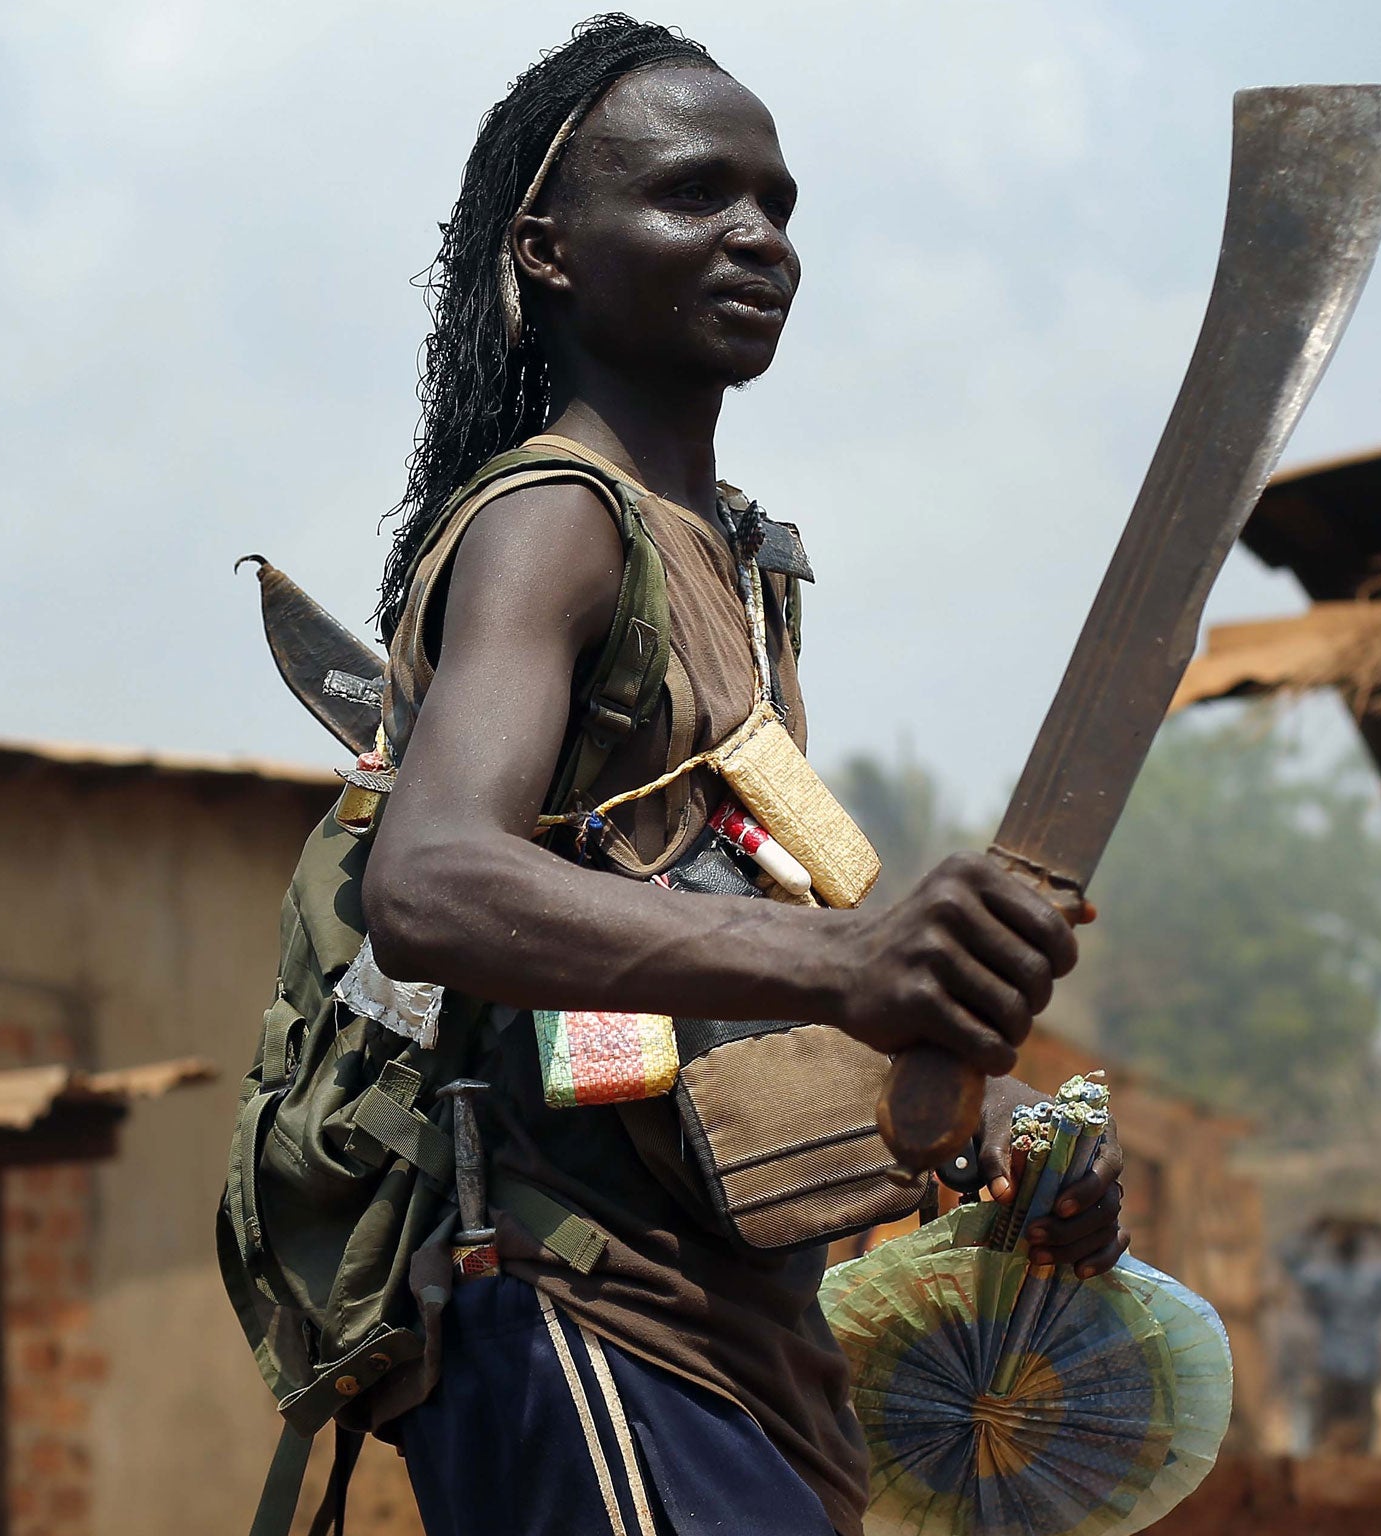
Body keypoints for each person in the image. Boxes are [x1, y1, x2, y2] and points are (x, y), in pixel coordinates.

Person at [356, 17, 1128, 1535]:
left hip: (742, 1350)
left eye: (777, 204)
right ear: (548, 250)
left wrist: (992, 1123)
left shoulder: (731, 559)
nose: (758, 236)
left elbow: (710, 943)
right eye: (695, 195)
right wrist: (853, 954)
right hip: (590, 1320)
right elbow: (430, 880)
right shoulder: (557, 521)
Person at [1282, 1215, 1381, 1455]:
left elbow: (1291, 1261)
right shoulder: (1375, 1280)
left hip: (1332, 1366)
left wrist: (1313, 1232)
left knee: (1322, 1440)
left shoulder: (1323, 1279)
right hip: (1364, 1366)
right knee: (1363, 1444)